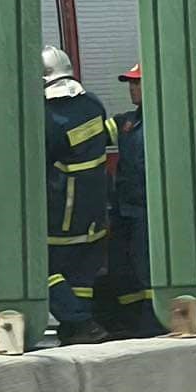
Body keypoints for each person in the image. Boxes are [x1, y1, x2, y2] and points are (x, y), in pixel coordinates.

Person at [42, 46, 116, 346]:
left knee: (42, 270)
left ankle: (80, 321)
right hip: (95, 209)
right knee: (81, 275)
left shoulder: (48, 116)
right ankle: (75, 331)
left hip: (62, 211)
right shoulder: (93, 104)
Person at [108, 64, 163, 337]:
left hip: (147, 209)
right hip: (126, 209)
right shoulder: (129, 122)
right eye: (130, 83)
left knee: (146, 267)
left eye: (137, 83)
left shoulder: (162, 123)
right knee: (122, 266)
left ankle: (153, 323)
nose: (132, 88)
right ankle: (128, 321)